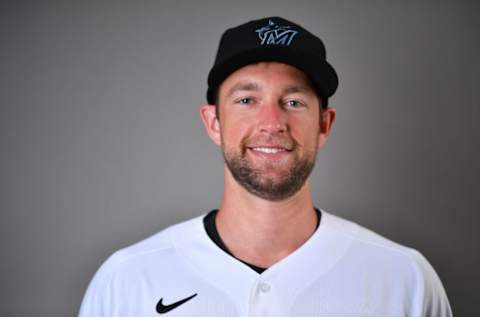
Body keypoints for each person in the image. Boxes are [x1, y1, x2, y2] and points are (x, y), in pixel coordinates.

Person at [79, 16, 452, 316]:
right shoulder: (127, 280)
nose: (271, 122)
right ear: (213, 123)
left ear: (324, 124)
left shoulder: (405, 280)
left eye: (293, 102)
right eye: (246, 100)